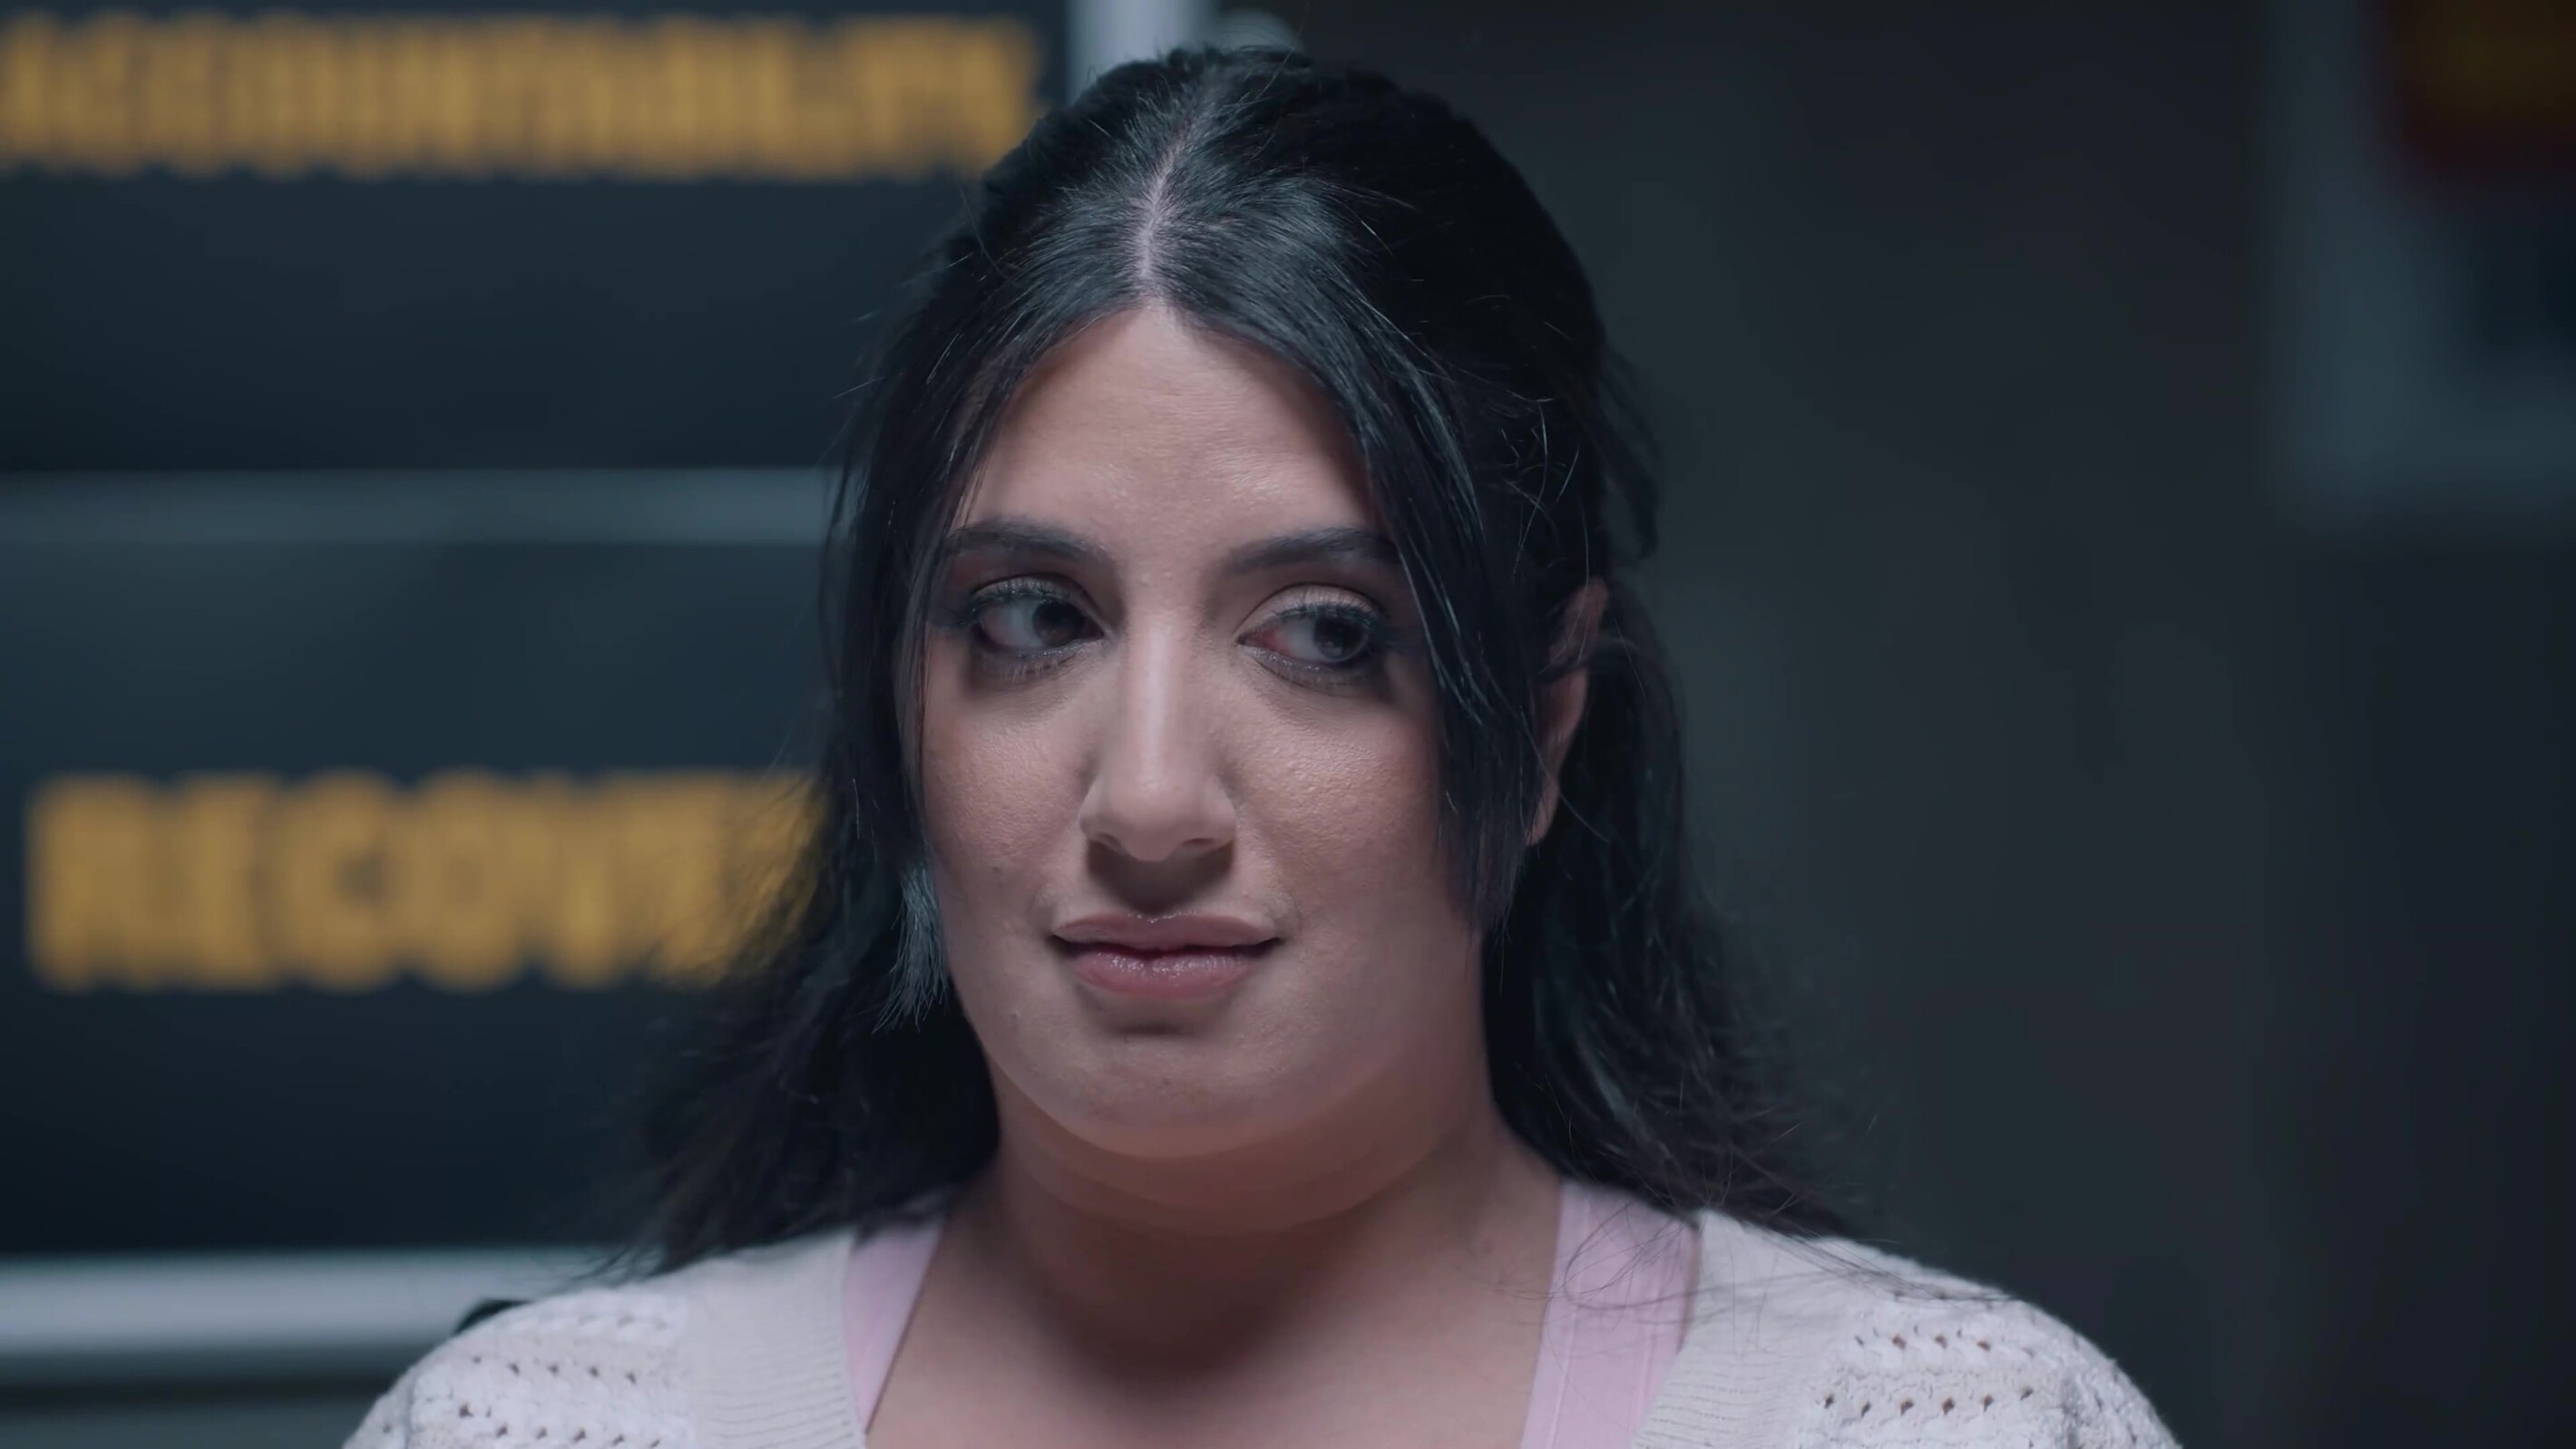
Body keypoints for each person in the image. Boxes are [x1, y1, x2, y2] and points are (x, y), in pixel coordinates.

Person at [353, 47, 2175, 1449]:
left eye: (1324, 633)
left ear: (1544, 720)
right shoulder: (563, 1427)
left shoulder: (1927, 1424)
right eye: (1034, 619)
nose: (1150, 801)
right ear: (902, 703)